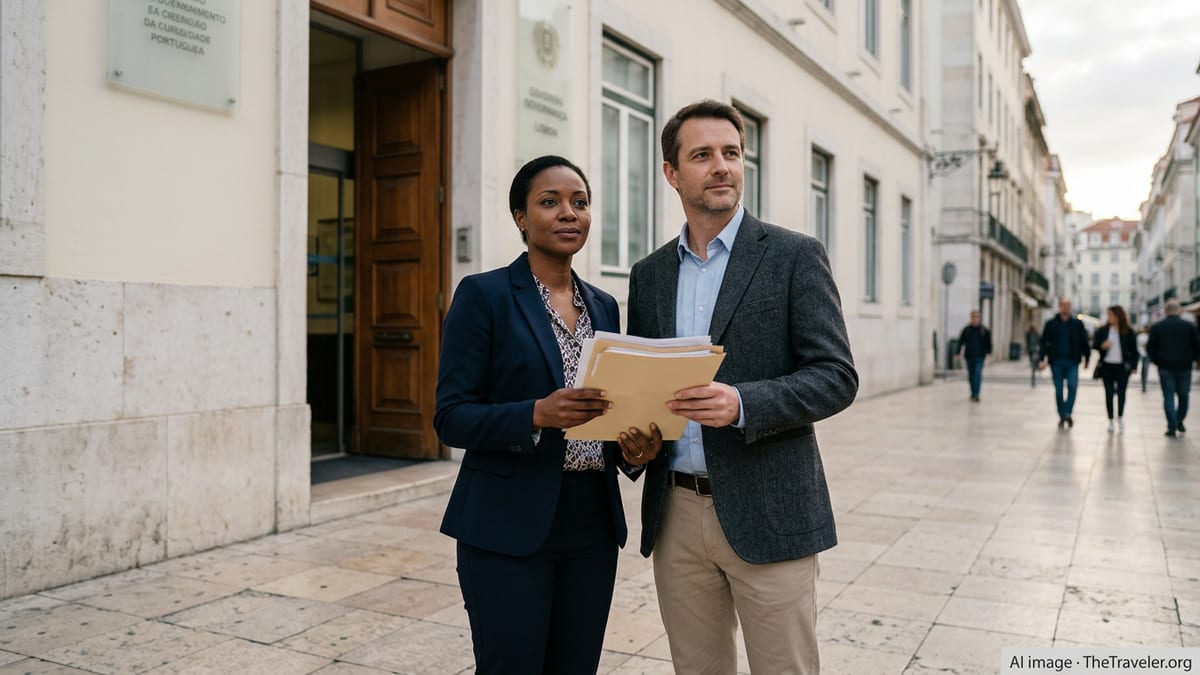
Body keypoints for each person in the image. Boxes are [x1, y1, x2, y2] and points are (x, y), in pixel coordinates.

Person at [625, 100, 858, 674]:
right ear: (671, 173)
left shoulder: (793, 256)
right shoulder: (649, 275)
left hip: (770, 509)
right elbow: (643, 383)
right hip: (675, 511)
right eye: (702, 155)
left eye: (731, 153)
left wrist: (742, 403)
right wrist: (637, 443)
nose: (722, 166)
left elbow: (836, 376)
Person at [434, 155, 662, 673]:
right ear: (520, 217)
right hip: (506, 522)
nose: (569, 213)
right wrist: (535, 414)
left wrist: (633, 451)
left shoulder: (604, 306)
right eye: (550, 202)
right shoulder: (485, 295)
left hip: (592, 524)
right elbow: (451, 416)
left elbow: (607, 410)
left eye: (579, 203)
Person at [1146, 298, 1200, 438]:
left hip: (1165, 366)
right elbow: (1197, 346)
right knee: (1184, 396)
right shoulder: (1189, 326)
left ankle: (1172, 425)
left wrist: (1157, 361)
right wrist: (1192, 359)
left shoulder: (1158, 327)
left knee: (1168, 396)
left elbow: (1151, 348)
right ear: (1179, 310)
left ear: (1166, 311)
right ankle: (1179, 421)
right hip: (1184, 366)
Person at [1038, 297, 1090, 428]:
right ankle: (1062, 415)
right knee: (1059, 390)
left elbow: (1084, 341)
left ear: (1070, 307)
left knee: (1072, 386)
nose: (1066, 307)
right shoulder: (1051, 324)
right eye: (1063, 305)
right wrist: (1041, 359)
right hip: (1056, 361)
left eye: (1068, 305)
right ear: (1059, 306)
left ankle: (1067, 413)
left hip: (1072, 361)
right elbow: (1044, 342)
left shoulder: (1077, 324)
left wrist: (1087, 358)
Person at [1092, 305, 1138, 433]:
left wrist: (1134, 366)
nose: (1109, 317)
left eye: (1111, 315)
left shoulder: (1128, 331)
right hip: (1107, 366)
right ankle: (1111, 420)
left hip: (1122, 367)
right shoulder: (1103, 330)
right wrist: (1102, 345)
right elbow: (1095, 345)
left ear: (1118, 316)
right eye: (1108, 315)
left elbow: (1134, 351)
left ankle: (1120, 417)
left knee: (1122, 393)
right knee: (1109, 393)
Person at [957, 310, 992, 401]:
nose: (975, 319)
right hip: (969, 356)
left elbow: (988, 343)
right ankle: (973, 393)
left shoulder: (984, 330)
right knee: (971, 375)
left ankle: (976, 394)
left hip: (980, 356)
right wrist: (957, 352)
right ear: (971, 318)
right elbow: (961, 342)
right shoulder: (966, 330)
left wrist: (989, 353)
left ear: (979, 318)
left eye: (977, 317)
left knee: (977, 374)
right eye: (974, 317)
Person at [1025, 324, 1041, 388]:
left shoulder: (1037, 334)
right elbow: (1027, 342)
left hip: (1035, 351)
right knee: (1033, 365)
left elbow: (1039, 342)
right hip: (1031, 352)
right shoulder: (1028, 334)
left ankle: (1035, 368)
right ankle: (1034, 368)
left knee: (1034, 365)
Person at [1137, 326, 1151, 393]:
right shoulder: (1141, 336)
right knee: (1144, 370)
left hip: (1147, 355)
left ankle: (1144, 386)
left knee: (1145, 370)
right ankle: (1143, 385)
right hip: (1141, 354)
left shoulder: (1150, 335)